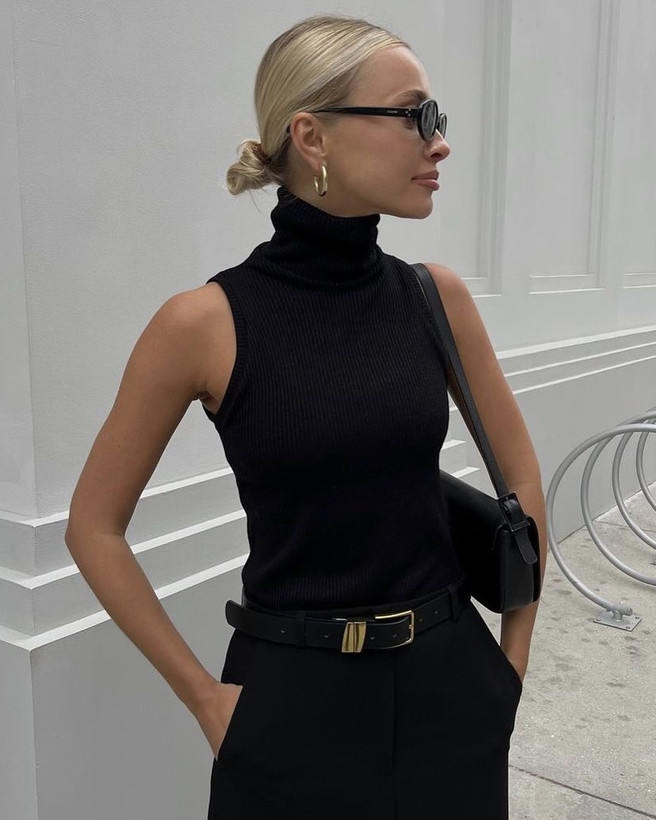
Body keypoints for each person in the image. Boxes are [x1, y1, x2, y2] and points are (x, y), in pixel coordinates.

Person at [65, 14, 547, 820]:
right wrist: (205, 699)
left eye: (438, 117)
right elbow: (93, 526)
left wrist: (510, 669)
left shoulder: (435, 298)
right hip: (289, 703)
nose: (439, 143)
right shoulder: (203, 325)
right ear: (312, 136)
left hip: (453, 687)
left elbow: (521, 474)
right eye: (414, 114)